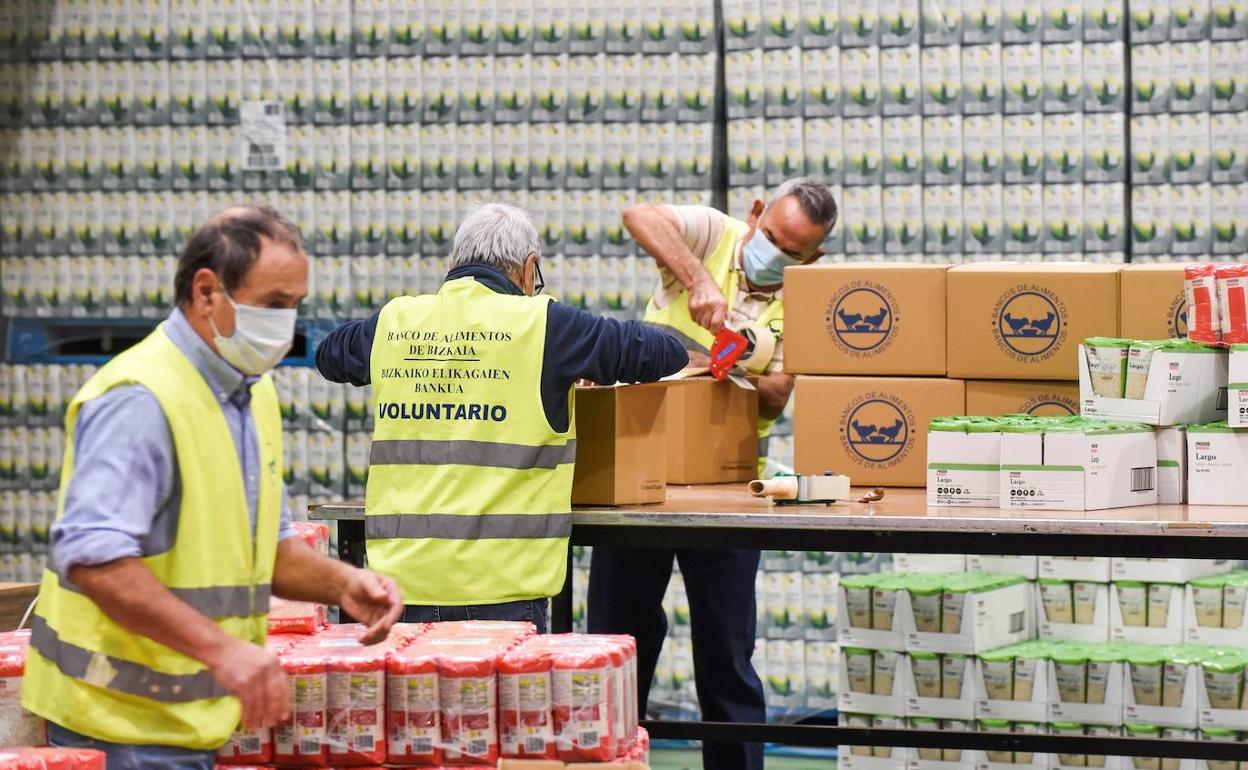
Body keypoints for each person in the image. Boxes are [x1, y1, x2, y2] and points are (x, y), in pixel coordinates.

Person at [22, 205, 403, 770]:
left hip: (193, 721)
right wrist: (225, 652)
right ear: (207, 292)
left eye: (294, 307)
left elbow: (265, 552)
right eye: (273, 304)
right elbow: (93, 558)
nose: (285, 323)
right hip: (115, 724)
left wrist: (343, 583)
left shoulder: (252, 394)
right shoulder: (141, 398)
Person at [316, 203, 687, 630]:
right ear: (530, 270)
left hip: (399, 589)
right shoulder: (545, 325)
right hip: (501, 592)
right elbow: (659, 351)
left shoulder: (395, 321)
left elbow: (330, 354)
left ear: (453, 264)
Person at [589, 178, 838, 770]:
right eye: (771, 236)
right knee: (618, 643)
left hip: (730, 486)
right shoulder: (714, 235)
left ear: (814, 258)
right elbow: (639, 214)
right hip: (640, 474)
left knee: (726, 653)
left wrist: (731, 357)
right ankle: (608, 760)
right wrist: (698, 280)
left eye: (792, 251)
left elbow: (775, 399)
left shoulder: (806, 302)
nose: (773, 253)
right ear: (755, 215)